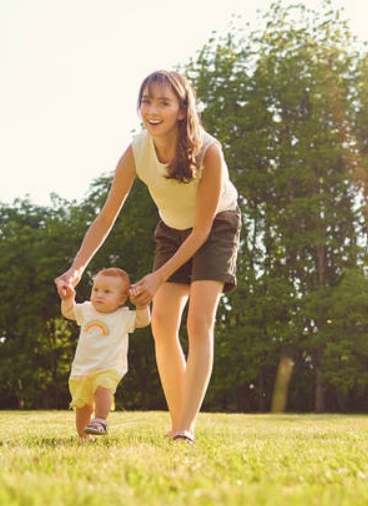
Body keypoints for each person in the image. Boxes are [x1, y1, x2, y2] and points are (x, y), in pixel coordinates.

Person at [55, 70, 241, 444]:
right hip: (172, 231)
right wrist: (76, 269)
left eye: (163, 102)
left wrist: (157, 277)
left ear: (181, 109)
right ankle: (177, 423)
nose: (152, 110)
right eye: (146, 101)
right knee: (161, 325)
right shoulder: (137, 150)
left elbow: (202, 231)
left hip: (216, 225)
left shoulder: (209, 151)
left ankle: (186, 428)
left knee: (199, 323)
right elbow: (107, 215)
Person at [60, 267, 151, 441]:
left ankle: (101, 421)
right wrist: (68, 298)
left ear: (122, 299)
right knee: (82, 407)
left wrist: (142, 306)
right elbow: (68, 312)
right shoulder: (86, 310)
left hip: (109, 367)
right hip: (82, 369)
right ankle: (83, 438)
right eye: (96, 290)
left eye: (107, 292)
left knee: (103, 388)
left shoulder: (123, 316)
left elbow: (143, 321)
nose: (99, 295)